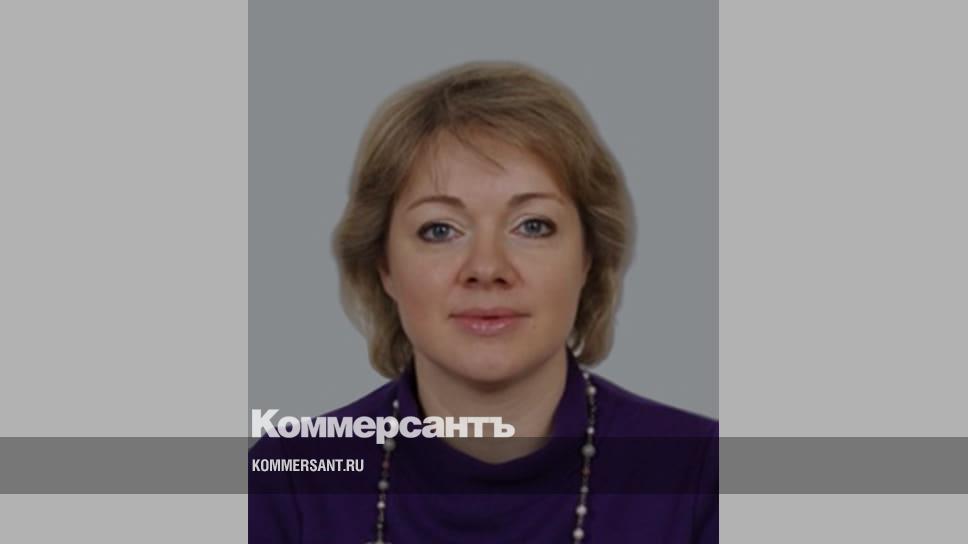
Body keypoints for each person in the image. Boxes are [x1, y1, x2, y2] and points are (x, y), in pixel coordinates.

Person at [249, 60, 718, 543]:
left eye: (532, 226)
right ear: (383, 265)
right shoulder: (291, 483)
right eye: (440, 230)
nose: (487, 267)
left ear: (588, 258)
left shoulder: (704, 477)